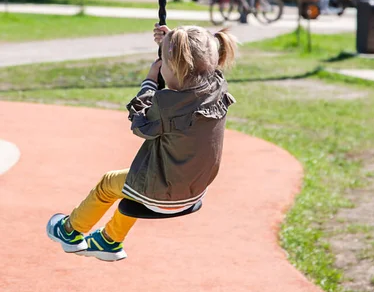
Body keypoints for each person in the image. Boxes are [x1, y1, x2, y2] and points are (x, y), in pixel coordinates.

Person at [46, 25, 237, 262]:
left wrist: (149, 82)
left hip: (164, 193)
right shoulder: (218, 85)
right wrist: (169, 43)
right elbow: (194, 61)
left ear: (175, 67)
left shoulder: (166, 103)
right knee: (137, 179)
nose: (160, 68)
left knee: (109, 183)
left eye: (163, 64)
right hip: (195, 189)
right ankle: (108, 240)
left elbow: (141, 125)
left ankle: (70, 232)